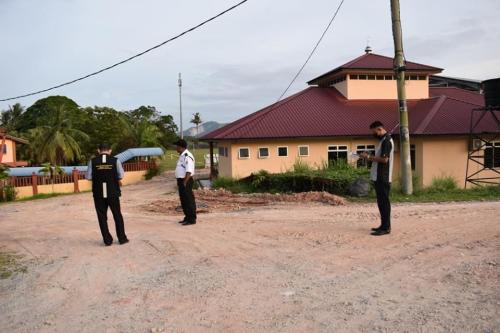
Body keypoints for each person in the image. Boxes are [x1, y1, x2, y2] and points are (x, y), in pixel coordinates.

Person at [86, 143, 129, 246]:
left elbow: (88, 177)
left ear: (98, 150)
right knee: (117, 215)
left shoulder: (92, 161)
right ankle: (122, 238)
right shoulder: (115, 160)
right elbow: (121, 175)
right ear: (110, 150)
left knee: (102, 216)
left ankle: (107, 240)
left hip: (98, 193)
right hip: (113, 192)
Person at [360, 121, 394, 236]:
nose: (374, 134)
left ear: (379, 129)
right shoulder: (383, 140)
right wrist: (369, 155)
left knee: (384, 202)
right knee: (381, 202)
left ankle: (386, 228)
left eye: (374, 132)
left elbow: (384, 160)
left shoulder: (387, 141)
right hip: (378, 176)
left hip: (383, 177)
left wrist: (369, 157)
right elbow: (379, 156)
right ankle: (383, 225)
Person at [174, 139, 197, 226]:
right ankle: (187, 217)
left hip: (186, 180)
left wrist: (184, 182)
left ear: (181, 147)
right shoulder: (182, 156)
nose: (176, 148)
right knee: (183, 200)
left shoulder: (187, 156)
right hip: (181, 180)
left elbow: (189, 171)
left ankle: (191, 219)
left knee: (188, 200)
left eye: (177, 146)